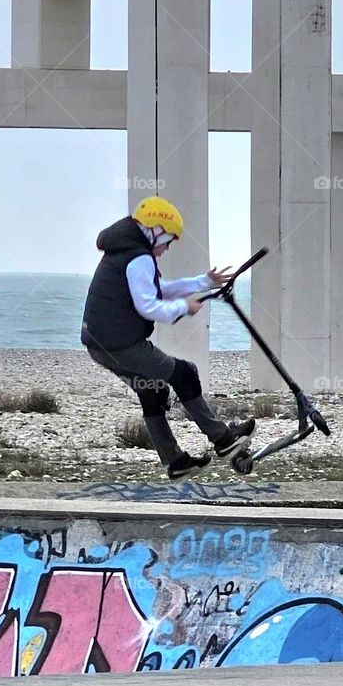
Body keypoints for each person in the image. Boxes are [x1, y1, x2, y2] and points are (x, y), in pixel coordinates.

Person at [81, 196, 255, 478]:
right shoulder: (138, 258)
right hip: (120, 345)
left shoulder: (123, 250)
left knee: (152, 389)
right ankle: (224, 440)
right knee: (184, 374)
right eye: (168, 240)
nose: (166, 248)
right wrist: (184, 308)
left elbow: (158, 288)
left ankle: (176, 462)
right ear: (155, 230)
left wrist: (204, 282)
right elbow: (148, 305)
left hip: (100, 345)